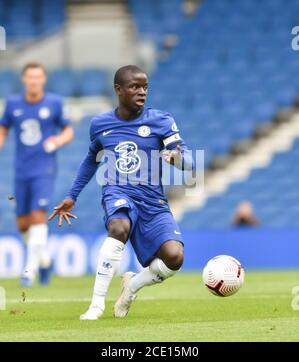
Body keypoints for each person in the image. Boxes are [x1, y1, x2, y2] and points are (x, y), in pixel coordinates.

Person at [48, 65, 194, 320]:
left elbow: (190, 162)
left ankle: (132, 286)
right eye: (134, 87)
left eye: (145, 87)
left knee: (174, 258)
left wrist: (178, 159)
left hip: (152, 200)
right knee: (118, 228)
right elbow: (91, 159)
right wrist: (72, 195)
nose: (142, 92)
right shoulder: (100, 124)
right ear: (118, 89)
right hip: (118, 190)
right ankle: (96, 305)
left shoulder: (161, 120)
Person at [0, 62, 74, 287]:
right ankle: (44, 261)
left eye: (38, 77)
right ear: (24, 79)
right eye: (30, 77)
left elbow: (68, 130)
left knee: (38, 215)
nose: (34, 81)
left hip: (44, 169)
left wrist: (57, 140)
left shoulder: (54, 103)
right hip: (21, 170)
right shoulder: (13, 104)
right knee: (23, 224)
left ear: (43, 79)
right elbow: (3, 128)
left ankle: (28, 271)